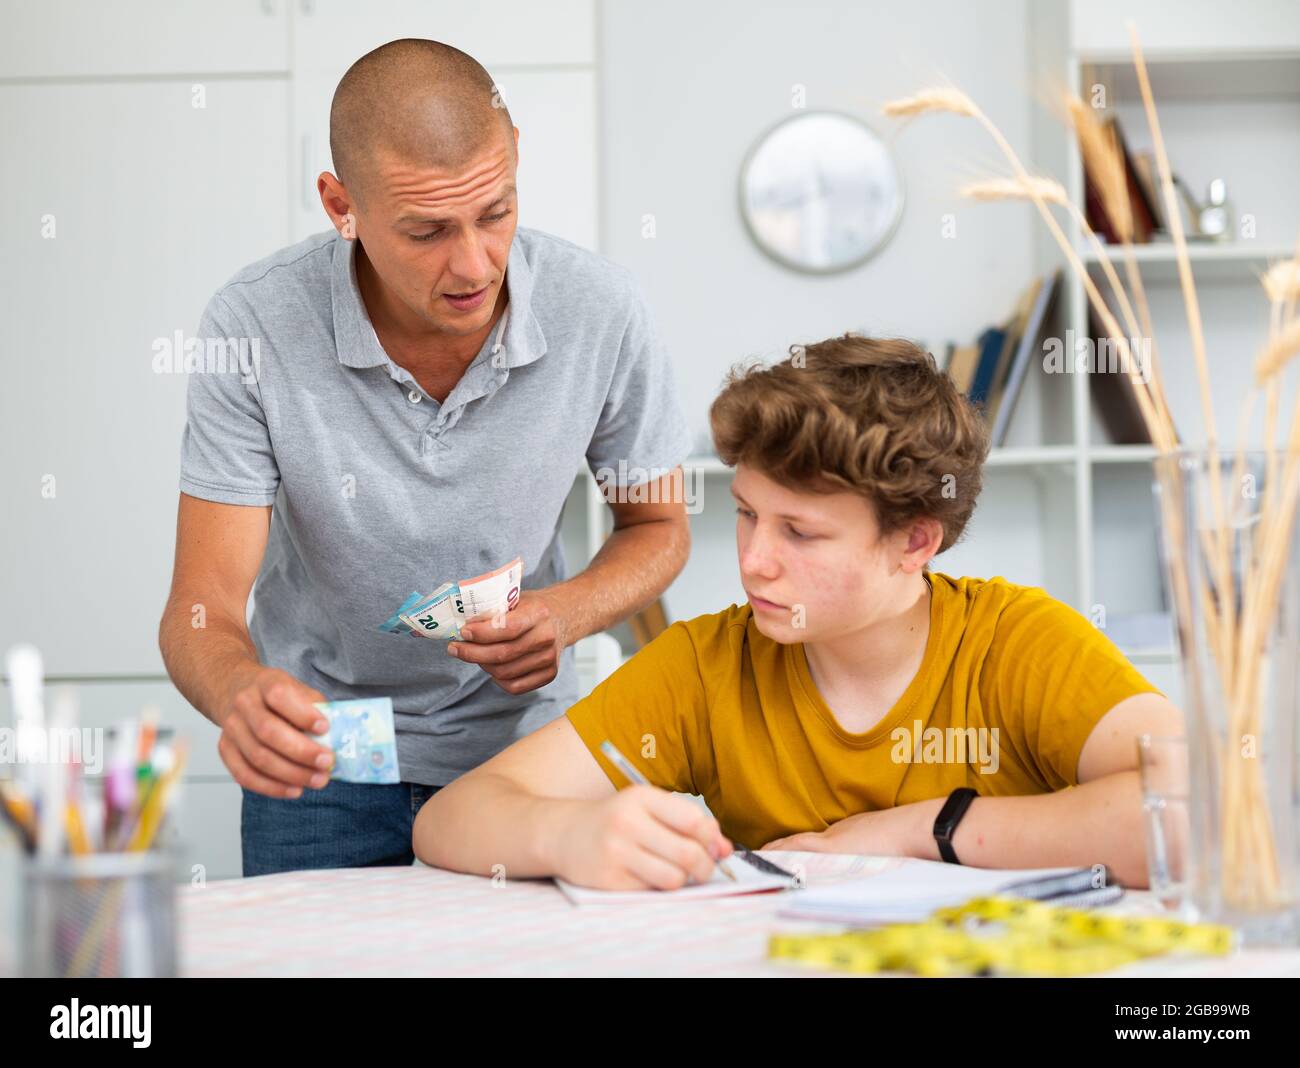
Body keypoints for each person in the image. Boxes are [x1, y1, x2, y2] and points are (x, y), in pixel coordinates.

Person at [159, 39, 692, 875]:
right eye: (426, 231)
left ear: (514, 158)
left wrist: (570, 611)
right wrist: (239, 694)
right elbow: (202, 604)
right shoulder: (253, 326)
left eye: (495, 212)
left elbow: (658, 525)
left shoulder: (603, 310)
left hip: (524, 753)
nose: (475, 264)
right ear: (341, 204)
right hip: (326, 757)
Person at [412, 335, 1181, 890]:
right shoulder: (707, 665)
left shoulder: (1018, 643)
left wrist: (922, 830)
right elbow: (451, 818)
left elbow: (1192, 816)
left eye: (800, 533)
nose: (753, 561)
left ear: (915, 540)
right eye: (747, 514)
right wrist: (571, 833)